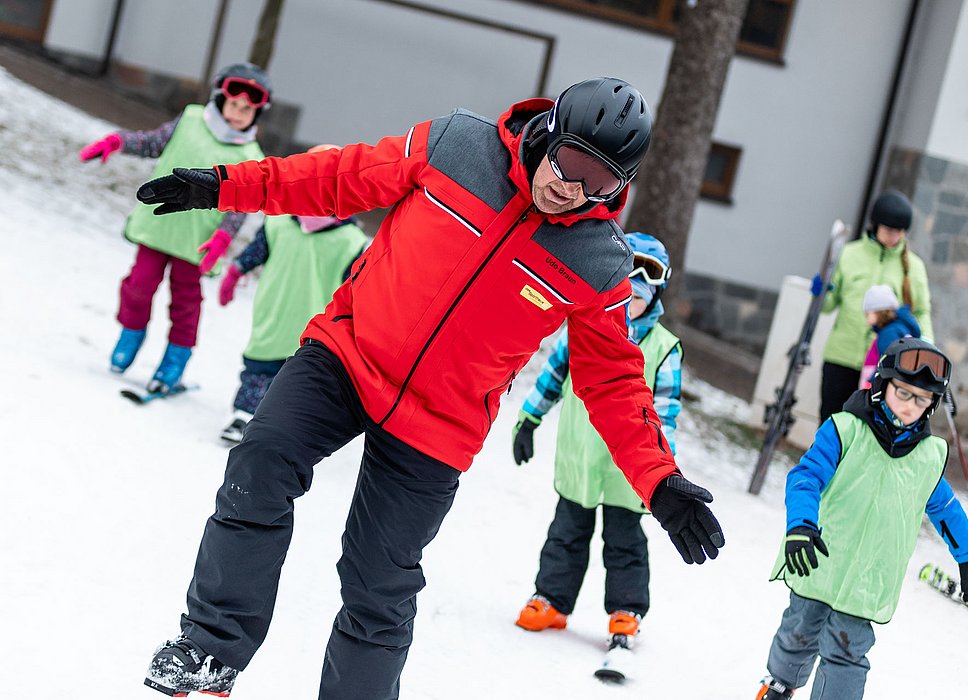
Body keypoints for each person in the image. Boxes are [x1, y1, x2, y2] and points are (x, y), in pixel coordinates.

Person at [132, 77, 726, 699]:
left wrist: (658, 479)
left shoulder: (598, 262)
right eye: (571, 161)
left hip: (439, 425)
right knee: (259, 465)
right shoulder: (456, 146)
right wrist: (226, 186)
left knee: (379, 585)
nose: (570, 188)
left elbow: (612, 380)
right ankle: (209, 648)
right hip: (348, 354)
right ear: (550, 129)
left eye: (598, 182)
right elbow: (339, 177)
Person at [756, 338, 968, 700]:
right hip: (818, 559)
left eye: (922, 399)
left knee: (847, 652)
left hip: (869, 577)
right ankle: (781, 684)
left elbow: (943, 508)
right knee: (800, 630)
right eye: (904, 393)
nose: (911, 406)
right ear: (881, 386)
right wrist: (800, 524)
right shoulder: (845, 430)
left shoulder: (928, 455)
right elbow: (806, 478)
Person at [511, 233, 680, 654]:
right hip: (581, 456)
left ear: (657, 292)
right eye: (628, 285)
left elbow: (667, 410)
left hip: (631, 470)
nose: (633, 298)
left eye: (644, 289)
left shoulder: (664, 347)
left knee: (624, 542)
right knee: (566, 531)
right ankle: (551, 599)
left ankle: (626, 612)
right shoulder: (585, 325)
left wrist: (664, 470)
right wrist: (529, 419)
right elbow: (551, 376)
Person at [79, 63, 270, 393]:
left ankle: (174, 362)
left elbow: (240, 205)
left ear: (257, 114)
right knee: (138, 286)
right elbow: (154, 143)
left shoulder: (250, 155)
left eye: (248, 109)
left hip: (197, 240)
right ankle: (130, 334)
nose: (239, 113)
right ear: (220, 99)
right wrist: (117, 141)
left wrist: (223, 237)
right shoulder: (192, 119)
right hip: (159, 226)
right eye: (235, 104)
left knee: (185, 303)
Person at [214, 145, 370, 443]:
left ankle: (284, 431)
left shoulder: (350, 242)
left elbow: (357, 291)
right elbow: (255, 251)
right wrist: (234, 273)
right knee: (258, 370)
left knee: (300, 383)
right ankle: (242, 417)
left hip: (316, 329)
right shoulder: (278, 221)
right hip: (274, 315)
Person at [815, 190, 933, 422]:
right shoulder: (850, 254)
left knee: (869, 429)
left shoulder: (914, 267)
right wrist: (822, 292)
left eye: (899, 232)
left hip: (883, 365)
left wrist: (926, 347)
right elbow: (829, 305)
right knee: (831, 423)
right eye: (889, 230)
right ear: (875, 225)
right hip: (842, 356)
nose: (893, 237)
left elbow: (921, 312)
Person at [857, 284, 921, 389]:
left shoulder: (888, 334)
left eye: (868, 314)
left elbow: (887, 362)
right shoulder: (900, 328)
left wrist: (872, 383)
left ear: (879, 312)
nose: (866, 319)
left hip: (884, 386)